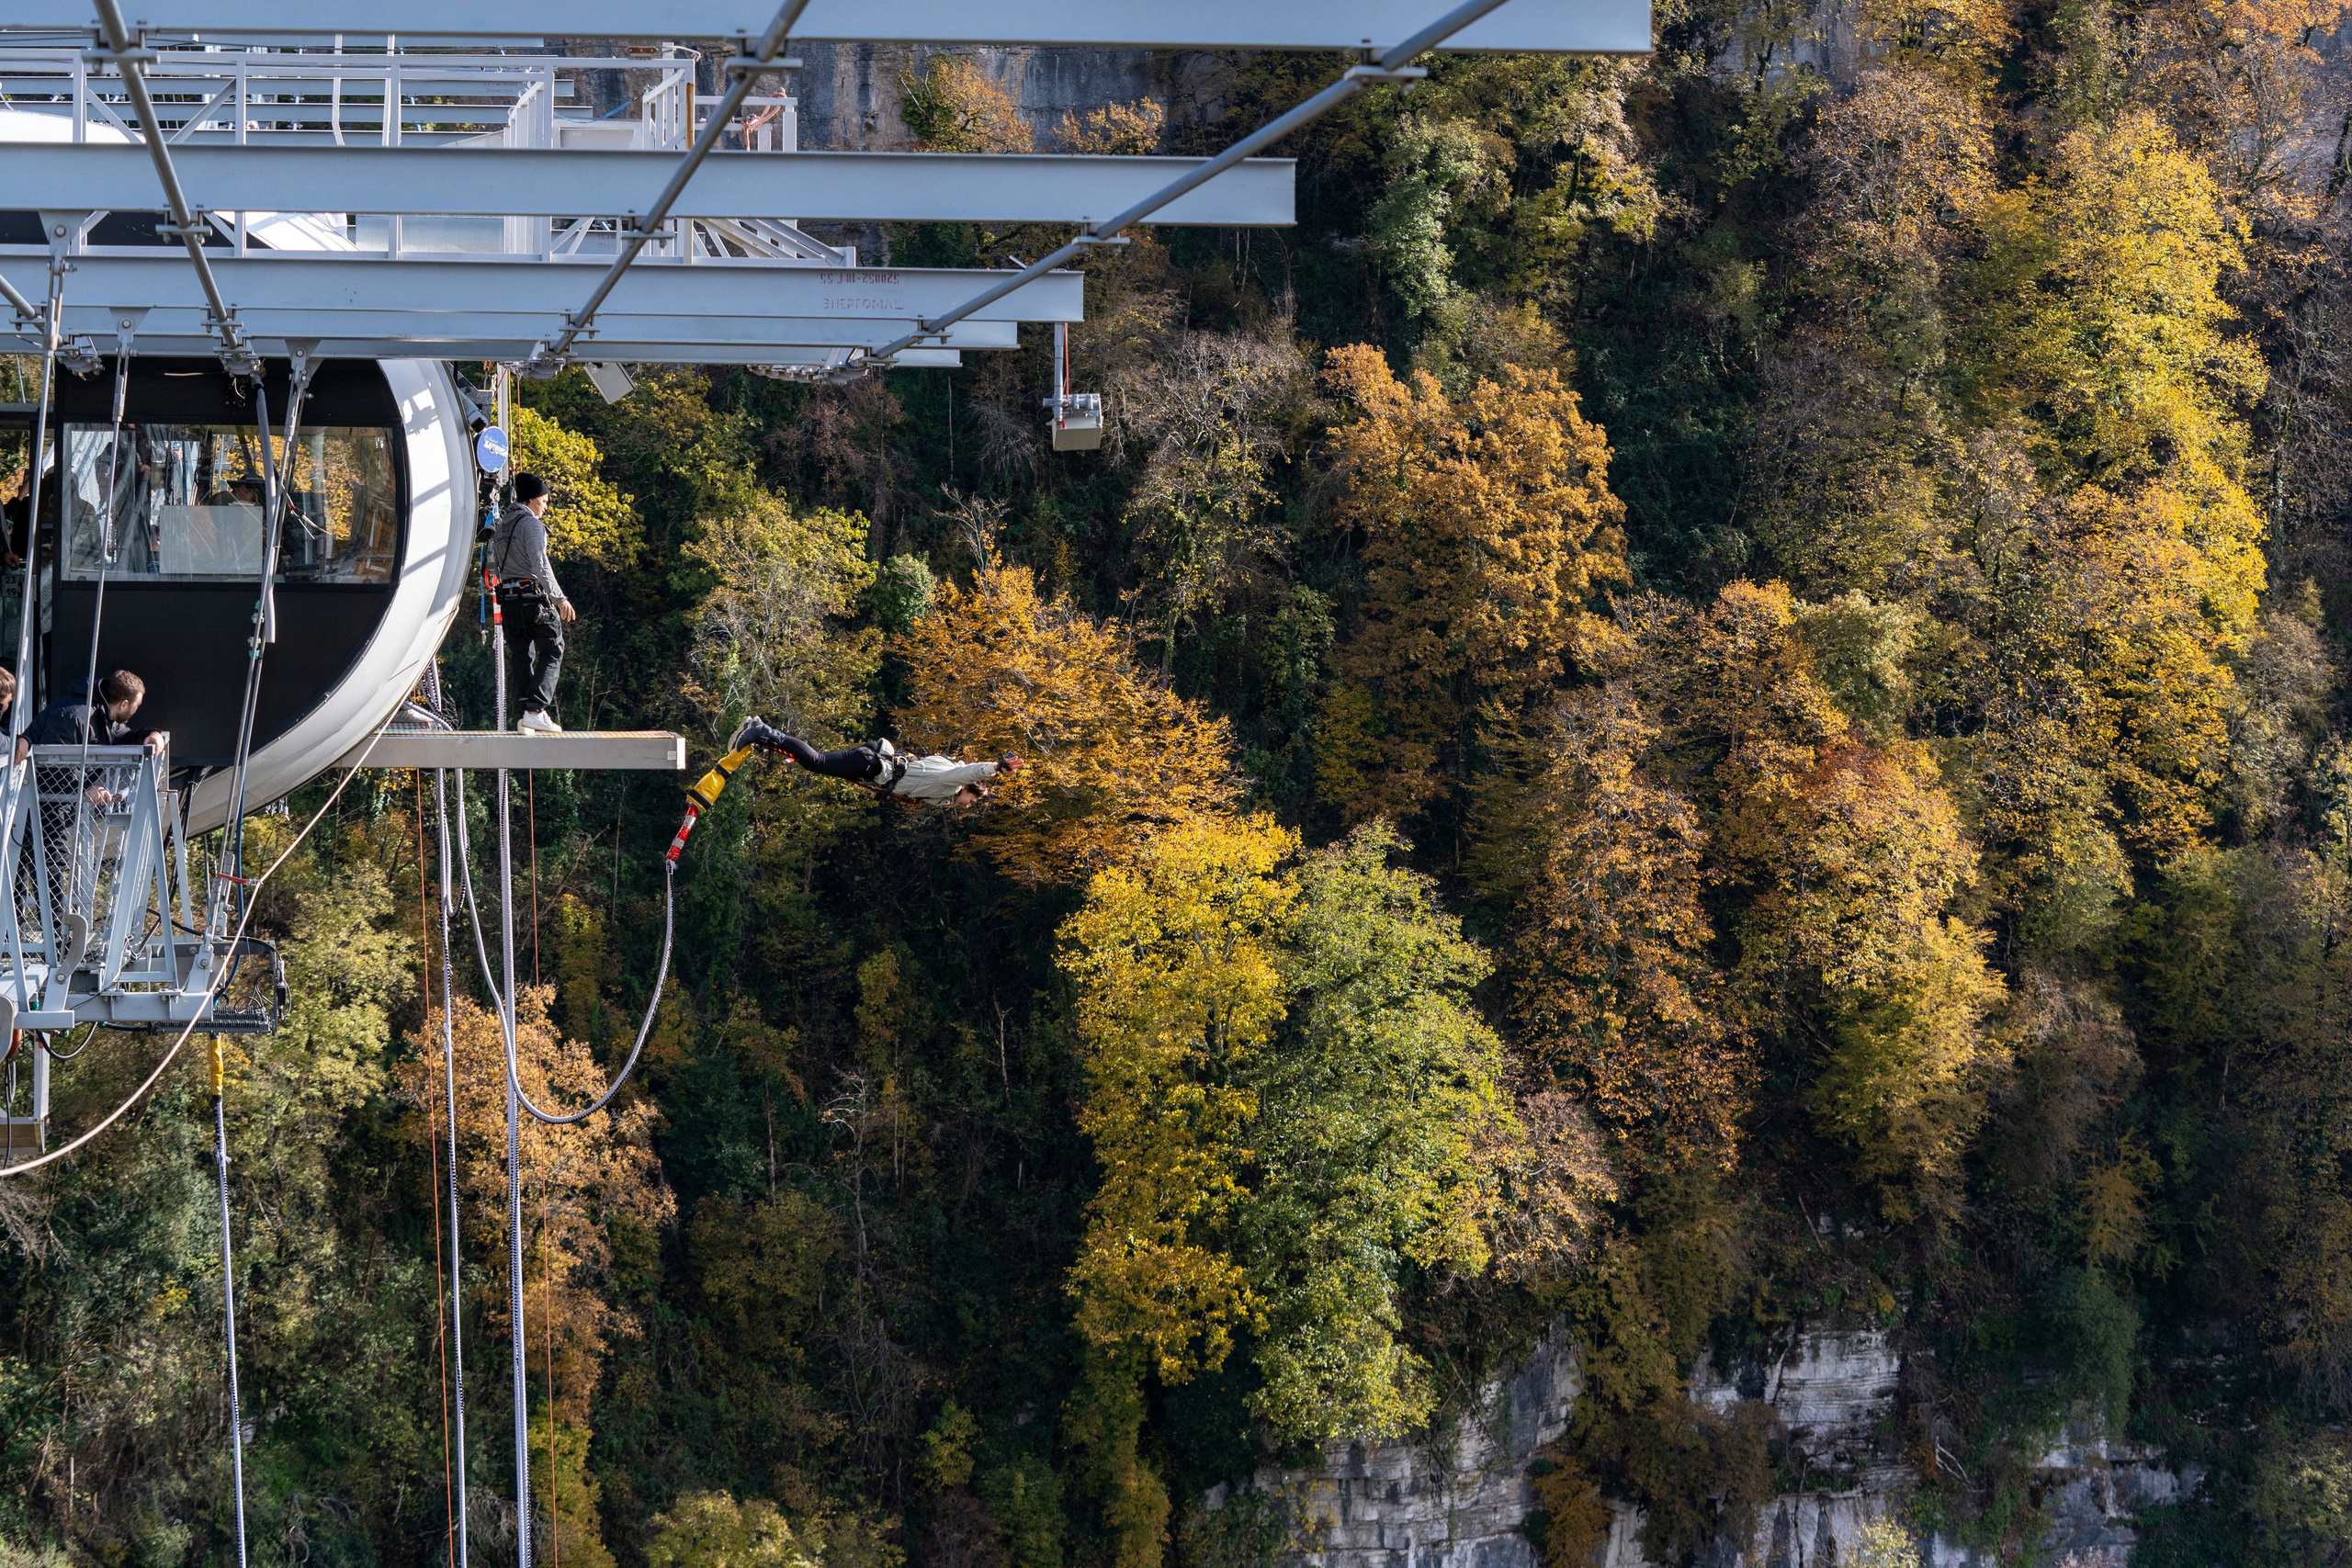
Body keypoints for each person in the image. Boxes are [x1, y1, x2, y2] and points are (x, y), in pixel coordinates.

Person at [727, 716, 1023, 808]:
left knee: (814, 764)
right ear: (966, 788)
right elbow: (970, 771)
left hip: (874, 766)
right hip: (873, 763)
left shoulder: (943, 795)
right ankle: (764, 732)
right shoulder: (951, 780)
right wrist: (996, 768)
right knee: (816, 761)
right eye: (971, 801)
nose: (968, 806)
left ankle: (761, 734)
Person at [488, 472, 574, 735]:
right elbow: (540, 564)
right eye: (544, 501)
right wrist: (559, 598)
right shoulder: (532, 526)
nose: (546, 507)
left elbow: (494, 565)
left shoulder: (501, 527)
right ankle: (536, 710)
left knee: (521, 655)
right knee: (553, 649)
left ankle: (523, 715)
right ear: (532, 499)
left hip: (509, 602)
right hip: (533, 599)